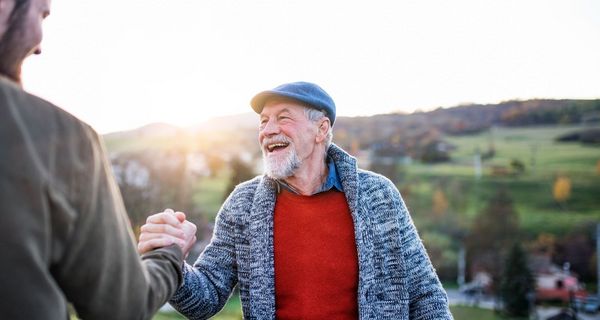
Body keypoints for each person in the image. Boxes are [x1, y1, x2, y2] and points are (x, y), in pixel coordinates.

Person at [139, 81, 454, 319]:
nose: (268, 130)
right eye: (264, 121)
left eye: (283, 118)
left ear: (321, 129)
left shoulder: (379, 196)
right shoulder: (243, 204)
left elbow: (425, 294)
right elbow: (206, 297)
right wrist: (174, 262)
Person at [0, 0, 197, 319]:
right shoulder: (60, 138)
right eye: (42, 15)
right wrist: (169, 253)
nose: (38, 46)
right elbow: (121, 307)